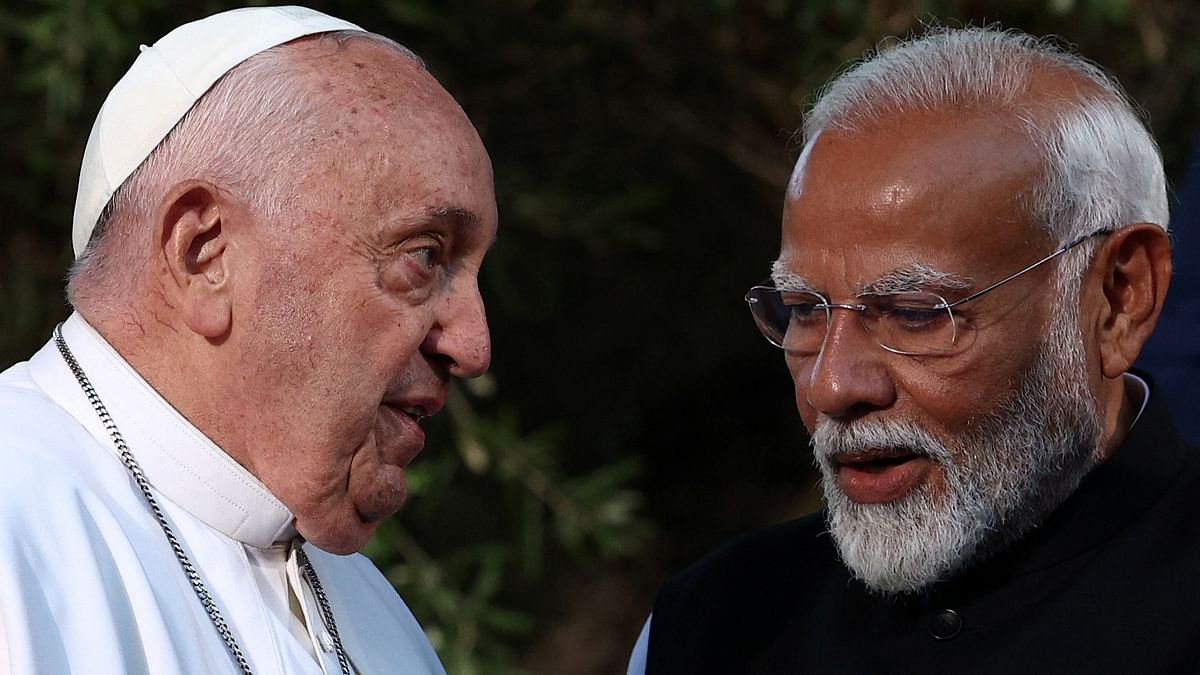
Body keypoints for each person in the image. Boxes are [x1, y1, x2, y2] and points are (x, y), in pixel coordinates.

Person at [628, 26, 1200, 674]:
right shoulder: (709, 624)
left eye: (915, 313)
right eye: (806, 310)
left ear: (1121, 298)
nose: (831, 385)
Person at [0, 6, 496, 674]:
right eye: (425, 256)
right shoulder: (15, 522)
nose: (473, 345)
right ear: (205, 254)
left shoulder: (376, 617)